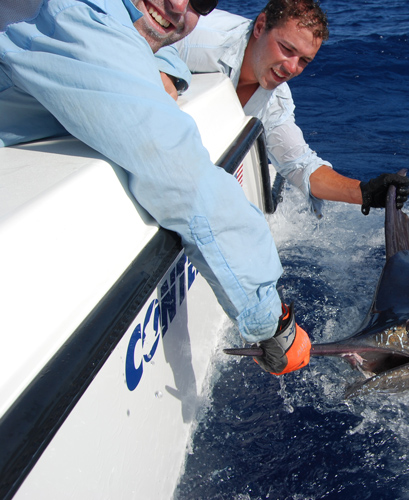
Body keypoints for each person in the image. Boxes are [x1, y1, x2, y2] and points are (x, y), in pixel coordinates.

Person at [0, 0, 308, 375]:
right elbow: (179, 173)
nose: (179, 4)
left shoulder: (126, 17)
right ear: (259, 28)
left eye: (202, 1)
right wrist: (272, 323)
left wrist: (163, 66)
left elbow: (150, 44)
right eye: (287, 50)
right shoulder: (75, 15)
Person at [172, 1, 409, 218]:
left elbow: (299, 165)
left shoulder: (276, 98)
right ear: (260, 27)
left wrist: (365, 193)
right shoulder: (197, 39)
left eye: (304, 60)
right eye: (286, 49)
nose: (291, 68)